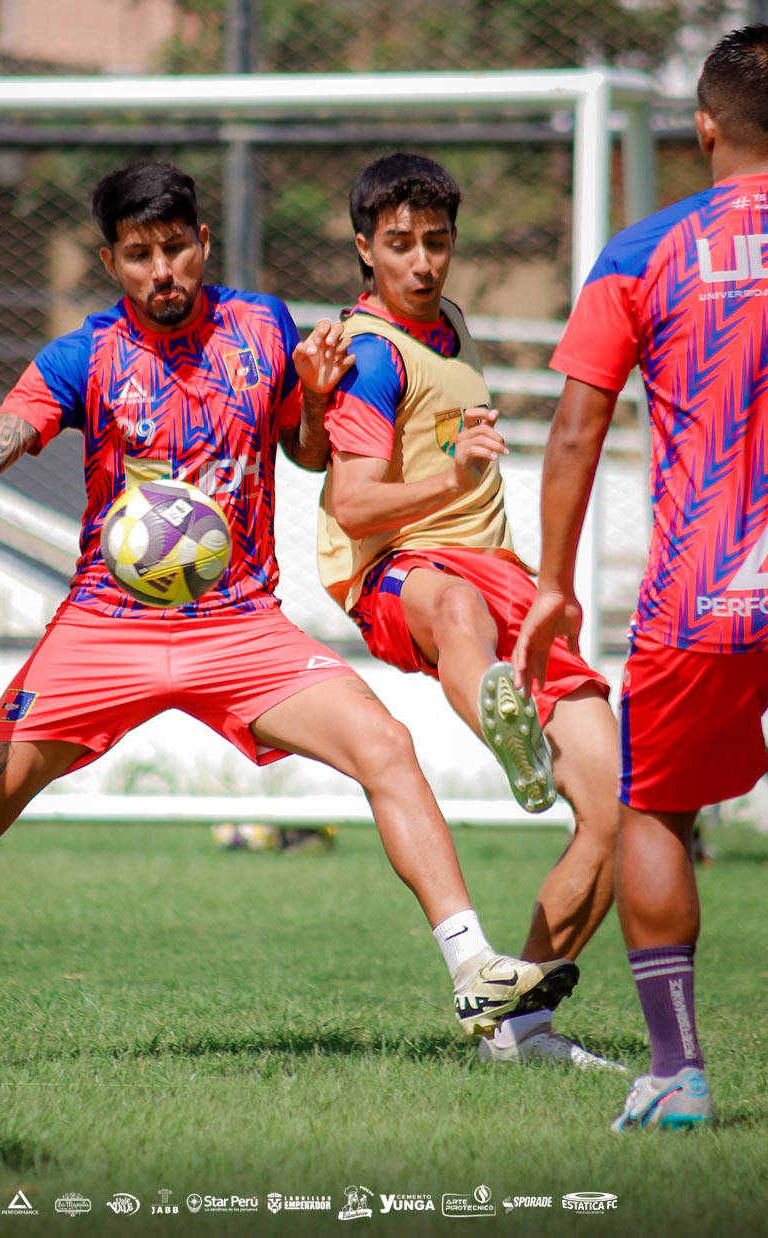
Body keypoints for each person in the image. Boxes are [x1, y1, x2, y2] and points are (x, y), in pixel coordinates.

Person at [0, 160, 577, 1042]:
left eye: (176, 248)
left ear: (203, 243)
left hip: (240, 627)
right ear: (111, 263)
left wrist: (312, 394)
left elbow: (304, 451)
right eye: (140, 254)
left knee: (385, 746)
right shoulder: (85, 355)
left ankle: (475, 972)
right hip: (106, 630)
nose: (163, 271)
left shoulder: (260, 324)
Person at [512, 24, 768, 1131]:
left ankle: (675, 1075)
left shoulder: (642, 252)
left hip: (702, 596)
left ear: (705, 126)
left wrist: (552, 583)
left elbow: (576, 434)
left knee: (656, 814)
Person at [316, 153, 623, 1070]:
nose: (422, 263)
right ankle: (504, 716)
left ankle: (521, 1028)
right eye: (400, 245)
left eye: (437, 243)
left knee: (619, 811)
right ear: (364, 248)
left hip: (506, 576)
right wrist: (454, 476)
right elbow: (353, 504)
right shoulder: (371, 354)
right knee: (456, 606)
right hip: (406, 575)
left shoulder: (449, 326)